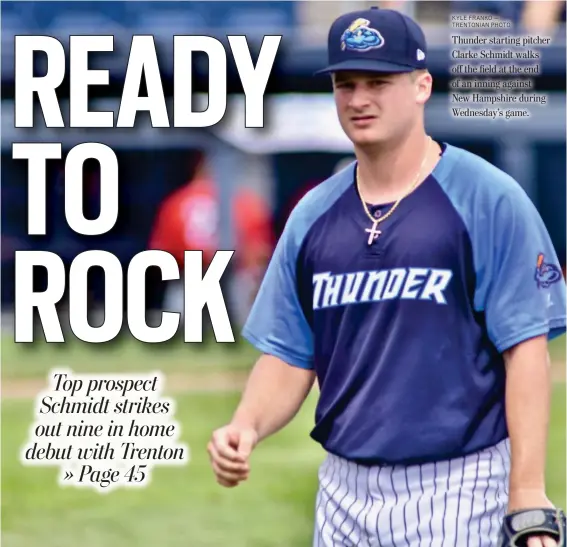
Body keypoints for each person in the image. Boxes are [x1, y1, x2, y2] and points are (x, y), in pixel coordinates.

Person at [207, 7, 566, 547]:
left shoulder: (485, 197)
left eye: (379, 81)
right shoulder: (314, 214)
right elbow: (288, 352)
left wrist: (528, 492)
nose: (358, 99)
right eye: (345, 83)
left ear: (422, 85)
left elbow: (526, 351)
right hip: (342, 491)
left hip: (459, 485)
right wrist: (246, 426)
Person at [148, 152, 273, 328]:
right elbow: (259, 252)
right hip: (231, 274)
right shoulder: (246, 201)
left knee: (177, 328)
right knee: (243, 326)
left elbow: (162, 254)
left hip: (194, 275)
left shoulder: (176, 201)